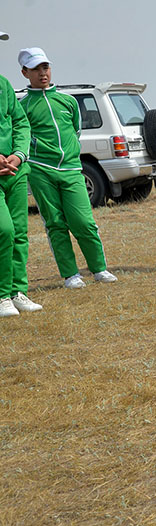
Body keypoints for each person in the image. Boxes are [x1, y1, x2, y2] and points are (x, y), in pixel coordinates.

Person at [19, 47, 116, 289]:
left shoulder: (68, 101)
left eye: (45, 67)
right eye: (36, 69)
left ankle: (99, 269)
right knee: (55, 222)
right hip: (41, 170)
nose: (43, 73)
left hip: (72, 169)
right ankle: (70, 274)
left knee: (83, 222)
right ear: (24, 72)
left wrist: (69, 154)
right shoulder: (23, 105)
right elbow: (22, 133)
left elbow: (76, 130)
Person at [0, 31, 42, 317]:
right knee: (3, 230)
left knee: (19, 233)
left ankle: (17, 291)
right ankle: (2, 295)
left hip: (15, 171)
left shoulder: (3, 86)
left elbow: (20, 123)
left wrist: (18, 154)